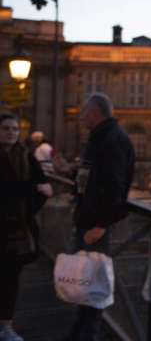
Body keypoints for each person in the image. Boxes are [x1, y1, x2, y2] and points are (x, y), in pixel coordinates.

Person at [52, 93, 135, 341]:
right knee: (86, 283)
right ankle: (80, 333)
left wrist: (100, 225)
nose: (81, 118)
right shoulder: (104, 138)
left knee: (93, 285)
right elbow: (96, 180)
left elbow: (113, 188)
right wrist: (71, 172)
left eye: (84, 112)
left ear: (95, 112)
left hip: (94, 227)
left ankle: (88, 335)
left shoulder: (111, 140)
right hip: (89, 223)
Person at [1, 114, 53, 341]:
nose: (11, 132)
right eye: (5, 128)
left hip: (18, 229)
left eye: (14, 128)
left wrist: (28, 208)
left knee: (11, 280)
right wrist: (33, 188)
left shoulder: (26, 156)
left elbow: (45, 187)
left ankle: (5, 327)